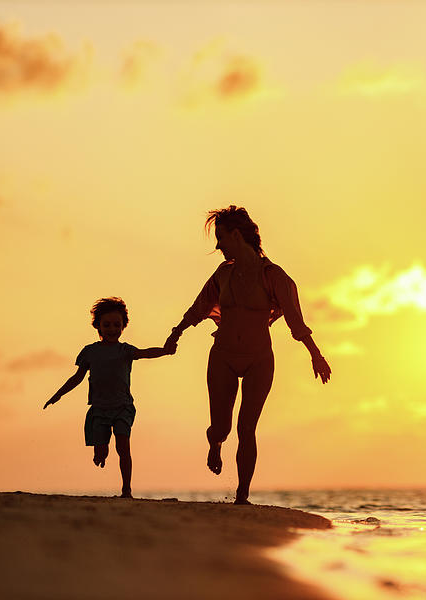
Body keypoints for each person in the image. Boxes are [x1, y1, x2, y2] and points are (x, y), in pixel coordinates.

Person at [165, 206, 331, 505]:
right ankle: (215, 444)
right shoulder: (223, 274)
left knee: (246, 427)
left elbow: (296, 320)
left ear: (236, 235)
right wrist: (176, 333)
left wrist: (315, 355)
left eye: (221, 237)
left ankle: (242, 495)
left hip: (259, 359)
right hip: (223, 356)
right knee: (221, 428)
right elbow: (199, 307)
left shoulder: (273, 276)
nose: (217, 245)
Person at [44, 297, 177, 498]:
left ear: (124, 326)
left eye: (117, 325)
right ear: (98, 326)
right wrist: (58, 394)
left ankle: (126, 489)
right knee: (101, 451)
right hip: (99, 409)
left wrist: (165, 351)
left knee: (123, 446)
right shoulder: (90, 352)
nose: (112, 329)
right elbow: (77, 378)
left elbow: (145, 353)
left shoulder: (125, 350)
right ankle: (100, 452)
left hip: (123, 407)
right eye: (107, 325)